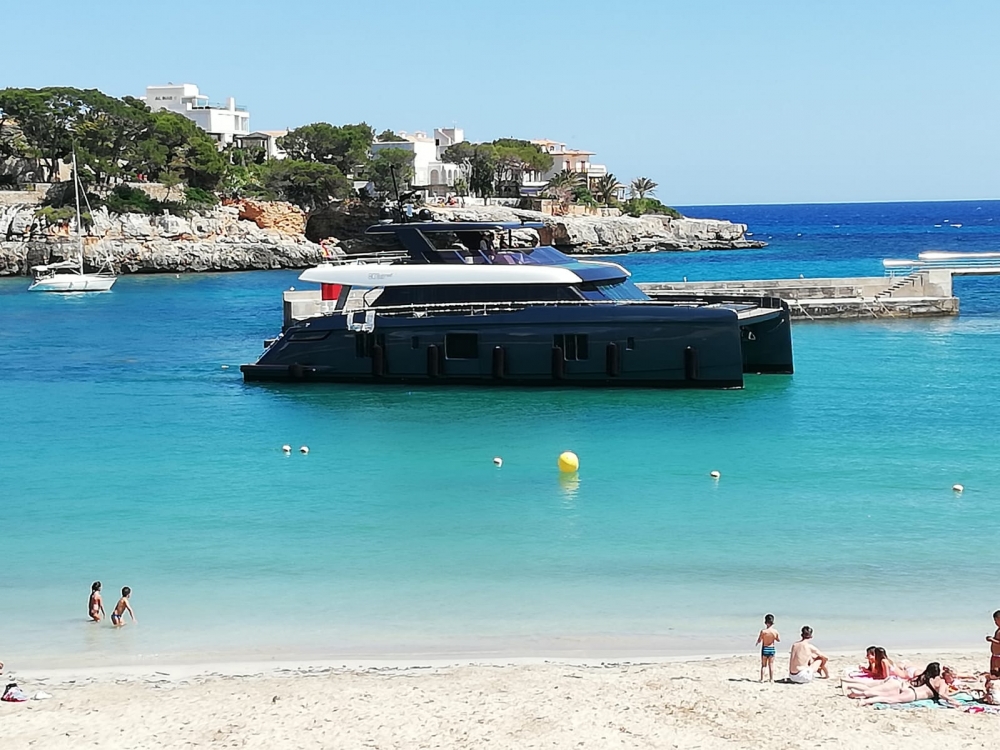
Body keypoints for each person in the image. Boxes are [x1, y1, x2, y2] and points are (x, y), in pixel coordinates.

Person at [858, 662, 964, 708]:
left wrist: (959, 691)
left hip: (910, 689)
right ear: (947, 675)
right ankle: (866, 701)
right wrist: (953, 701)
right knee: (889, 699)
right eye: (953, 677)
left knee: (887, 696)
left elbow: (943, 692)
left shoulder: (934, 678)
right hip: (913, 695)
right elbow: (941, 694)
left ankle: (863, 695)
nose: (954, 679)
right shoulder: (942, 682)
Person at [755, 613, 780, 682]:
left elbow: (759, 640)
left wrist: (757, 642)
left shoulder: (763, 631)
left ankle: (762, 679)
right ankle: (771, 679)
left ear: (765, 622)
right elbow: (778, 640)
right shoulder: (775, 631)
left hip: (765, 648)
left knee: (763, 665)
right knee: (771, 664)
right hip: (771, 648)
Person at [986, 610, 1000, 678]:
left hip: (999, 655)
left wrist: (992, 640)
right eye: (994, 621)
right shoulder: (998, 630)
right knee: (993, 673)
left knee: (997, 674)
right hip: (994, 655)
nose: (995, 623)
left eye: (997, 620)